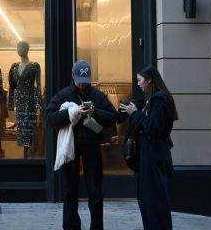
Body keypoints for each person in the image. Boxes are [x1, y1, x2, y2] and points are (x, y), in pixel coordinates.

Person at [46, 60, 117, 230]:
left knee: (95, 191)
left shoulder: (98, 96)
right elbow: (50, 117)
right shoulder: (63, 95)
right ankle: (71, 226)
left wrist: (95, 112)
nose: (83, 84)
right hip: (71, 147)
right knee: (70, 190)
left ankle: (97, 227)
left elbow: (113, 117)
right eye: (79, 80)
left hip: (92, 146)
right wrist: (73, 112)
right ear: (72, 76)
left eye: (86, 81)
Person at [119, 64, 178, 230]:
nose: (138, 84)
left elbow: (153, 127)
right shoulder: (154, 99)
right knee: (149, 202)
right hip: (150, 159)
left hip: (153, 160)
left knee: (153, 203)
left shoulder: (159, 100)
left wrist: (135, 113)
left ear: (149, 80)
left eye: (140, 80)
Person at [8, 41, 42, 158]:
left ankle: (30, 156)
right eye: (18, 47)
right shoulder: (14, 66)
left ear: (27, 49)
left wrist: (38, 105)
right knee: (22, 131)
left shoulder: (34, 65)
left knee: (31, 130)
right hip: (20, 103)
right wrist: (11, 105)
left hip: (30, 101)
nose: (19, 49)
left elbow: (38, 86)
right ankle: (25, 157)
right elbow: (12, 86)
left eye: (21, 47)